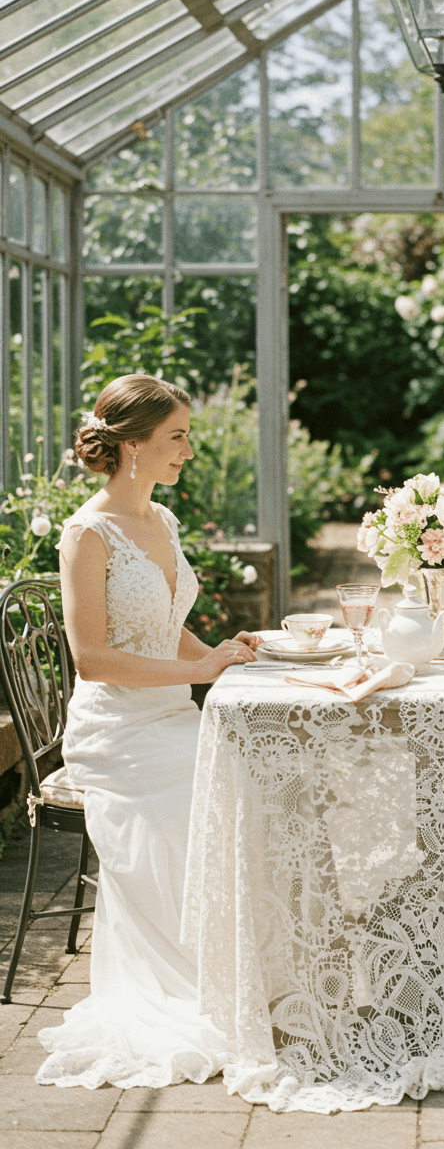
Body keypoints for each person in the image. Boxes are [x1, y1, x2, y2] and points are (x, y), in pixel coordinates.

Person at [37, 374, 261, 1089]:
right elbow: (94, 659)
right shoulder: (86, 535)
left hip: (173, 716)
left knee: (262, 781)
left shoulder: (158, 521)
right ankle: (213, 980)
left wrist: (222, 658)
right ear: (131, 446)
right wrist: (205, 674)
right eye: (177, 437)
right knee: (207, 794)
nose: (188, 450)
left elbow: (169, 626)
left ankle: (255, 965)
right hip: (119, 736)